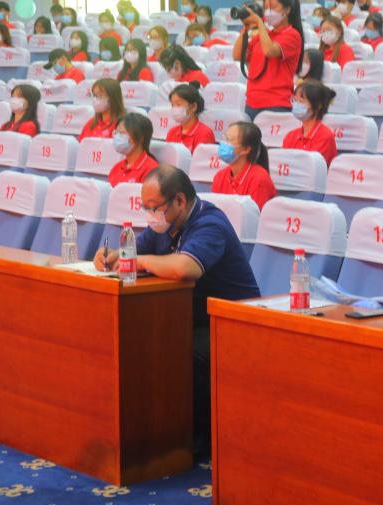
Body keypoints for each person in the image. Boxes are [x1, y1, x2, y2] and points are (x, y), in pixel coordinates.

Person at [92, 165, 260, 457]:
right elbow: (134, 250)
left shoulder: (210, 224)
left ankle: (193, 437)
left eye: (154, 208)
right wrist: (112, 256)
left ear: (180, 200)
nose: (150, 216)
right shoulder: (164, 225)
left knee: (174, 350)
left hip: (233, 323)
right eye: (145, 208)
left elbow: (185, 268)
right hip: (190, 317)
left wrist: (140, 261)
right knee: (135, 337)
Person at [233, 0, 304, 118]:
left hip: (276, 103)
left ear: (287, 10)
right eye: (266, 8)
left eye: (273, 7)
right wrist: (246, 28)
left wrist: (259, 23)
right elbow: (237, 56)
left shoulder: (292, 35)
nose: (268, 12)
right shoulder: (264, 35)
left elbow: (269, 51)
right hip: (252, 102)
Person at [212, 122, 277, 210]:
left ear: (246, 149)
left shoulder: (259, 180)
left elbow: (255, 216)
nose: (223, 144)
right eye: (225, 138)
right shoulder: (220, 177)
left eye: (229, 140)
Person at [283, 80, 338, 166]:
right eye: (295, 100)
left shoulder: (325, 136)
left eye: (301, 101)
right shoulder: (290, 136)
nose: (296, 105)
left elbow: (310, 166)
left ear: (318, 106)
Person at [109, 113, 159, 187]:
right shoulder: (116, 168)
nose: (117, 137)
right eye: (116, 133)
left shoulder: (151, 170)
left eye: (122, 133)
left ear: (140, 138)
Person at [166, 83, 216, 153]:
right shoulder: (172, 132)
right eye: (172, 105)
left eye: (178, 104)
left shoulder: (204, 133)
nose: (174, 108)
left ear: (193, 107)